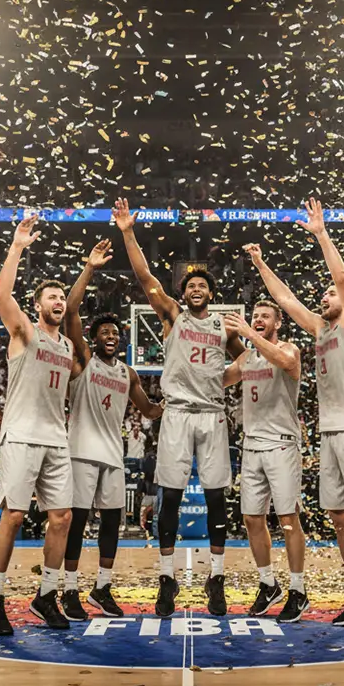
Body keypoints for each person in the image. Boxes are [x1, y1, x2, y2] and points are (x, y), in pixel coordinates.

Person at [248, 197, 344, 636]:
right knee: (339, 515)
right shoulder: (321, 330)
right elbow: (285, 298)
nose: (324, 295)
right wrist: (261, 264)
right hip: (332, 433)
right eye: (323, 294)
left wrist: (321, 234)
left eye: (329, 294)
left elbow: (341, 277)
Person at [113, 198, 244, 619]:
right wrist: (129, 232)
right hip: (177, 414)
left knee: (216, 498)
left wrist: (219, 381)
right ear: (184, 293)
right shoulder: (172, 315)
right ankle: (167, 578)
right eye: (189, 285)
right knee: (169, 496)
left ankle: (217, 578)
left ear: (212, 293)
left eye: (202, 285)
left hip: (211, 414)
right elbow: (145, 277)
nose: (195, 288)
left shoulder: (225, 327)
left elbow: (247, 362)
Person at [0, 214, 76, 637]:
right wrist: (18, 246)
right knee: (15, 516)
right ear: (38, 306)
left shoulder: (69, 344)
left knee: (62, 518)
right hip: (20, 434)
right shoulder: (23, 332)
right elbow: (2, 294)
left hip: (56, 437)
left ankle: (46, 594)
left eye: (62, 297)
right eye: (51, 296)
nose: (58, 301)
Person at [60, 240, 163, 621]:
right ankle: (69, 589)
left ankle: (101, 588)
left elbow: (149, 410)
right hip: (81, 451)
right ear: (93, 336)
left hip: (113, 456)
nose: (111, 335)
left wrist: (180, 401)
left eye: (115, 333)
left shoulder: (128, 373)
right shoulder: (84, 360)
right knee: (75, 520)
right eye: (104, 331)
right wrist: (89, 267)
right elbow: (71, 309)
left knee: (111, 522)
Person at [222, 301, 309, 623]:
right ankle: (268, 583)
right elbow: (219, 381)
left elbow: (283, 360)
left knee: (287, 519)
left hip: (282, 445)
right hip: (252, 446)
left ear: (278, 323)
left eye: (264, 317)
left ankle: (297, 589)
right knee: (251, 519)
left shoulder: (289, 349)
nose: (258, 320)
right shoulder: (247, 357)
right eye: (255, 316)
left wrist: (246, 334)